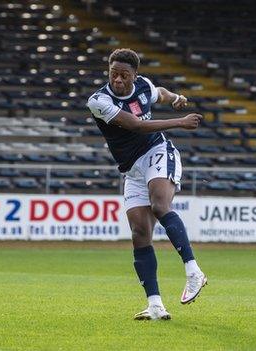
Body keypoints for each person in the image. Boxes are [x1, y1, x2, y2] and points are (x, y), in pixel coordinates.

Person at [86, 48, 207, 320]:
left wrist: (175, 98)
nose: (118, 80)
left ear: (135, 75)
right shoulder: (99, 100)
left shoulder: (143, 86)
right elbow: (134, 125)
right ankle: (155, 305)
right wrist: (180, 121)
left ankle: (193, 271)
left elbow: (159, 92)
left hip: (158, 151)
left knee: (160, 205)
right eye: (113, 74)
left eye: (124, 75)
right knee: (139, 233)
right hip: (132, 169)